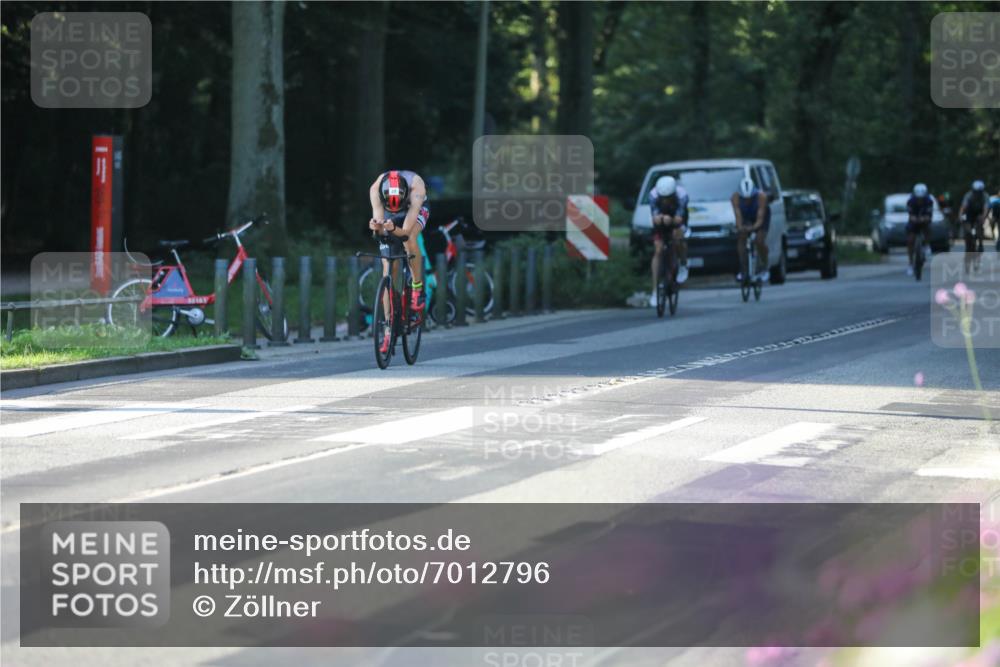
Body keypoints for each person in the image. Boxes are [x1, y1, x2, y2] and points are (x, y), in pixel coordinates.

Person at [369, 170, 429, 354]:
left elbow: (404, 233)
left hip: (413, 212)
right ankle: (388, 329)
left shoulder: (416, 189)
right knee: (388, 267)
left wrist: (394, 228)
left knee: (409, 240)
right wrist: (376, 228)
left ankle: (417, 289)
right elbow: (379, 234)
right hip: (390, 216)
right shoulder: (376, 189)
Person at [648, 175, 689, 307]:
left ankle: (683, 263)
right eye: (663, 198)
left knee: (678, 237)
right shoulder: (653, 195)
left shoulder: (682, 195)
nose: (665, 200)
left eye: (668, 198)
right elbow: (654, 216)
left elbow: (679, 217)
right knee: (658, 250)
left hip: (676, 219)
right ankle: (654, 290)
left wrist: (671, 219)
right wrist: (659, 217)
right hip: (661, 219)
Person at [731, 177, 770, 282]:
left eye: (750, 198)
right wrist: (740, 227)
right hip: (746, 216)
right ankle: (743, 268)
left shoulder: (761, 197)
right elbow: (738, 215)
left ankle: (764, 266)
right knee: (741, 237)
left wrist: (754, 228)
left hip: (761, 216)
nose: (747, 200)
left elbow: (760, 217)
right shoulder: (735, 197)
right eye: (744, 198)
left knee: (759, 240)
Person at [906, 182, 934, 276]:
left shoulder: (929, 201)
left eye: (921, 198)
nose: (920, 200)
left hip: (924, 219)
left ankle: (927, 245)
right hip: (914, 221)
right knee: (910, 240)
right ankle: (910, 263)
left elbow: (929, 216)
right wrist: (914, 219)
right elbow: (910, 215)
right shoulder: (910, 201)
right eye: (918, 199)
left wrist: (924, 219)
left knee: (928, 227)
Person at [958, 180, 988, 258]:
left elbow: (986, 208)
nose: (977, 194)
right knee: (967, 229)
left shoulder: (985, 196)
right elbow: (963, 207)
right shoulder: (968, 195)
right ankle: (968, 242)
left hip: (979, 213)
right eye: (975, 192)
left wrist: (983, 217)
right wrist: (960, 216)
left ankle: (980, 243)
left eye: (979, 192)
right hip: (969, 213)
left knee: (980, 225)